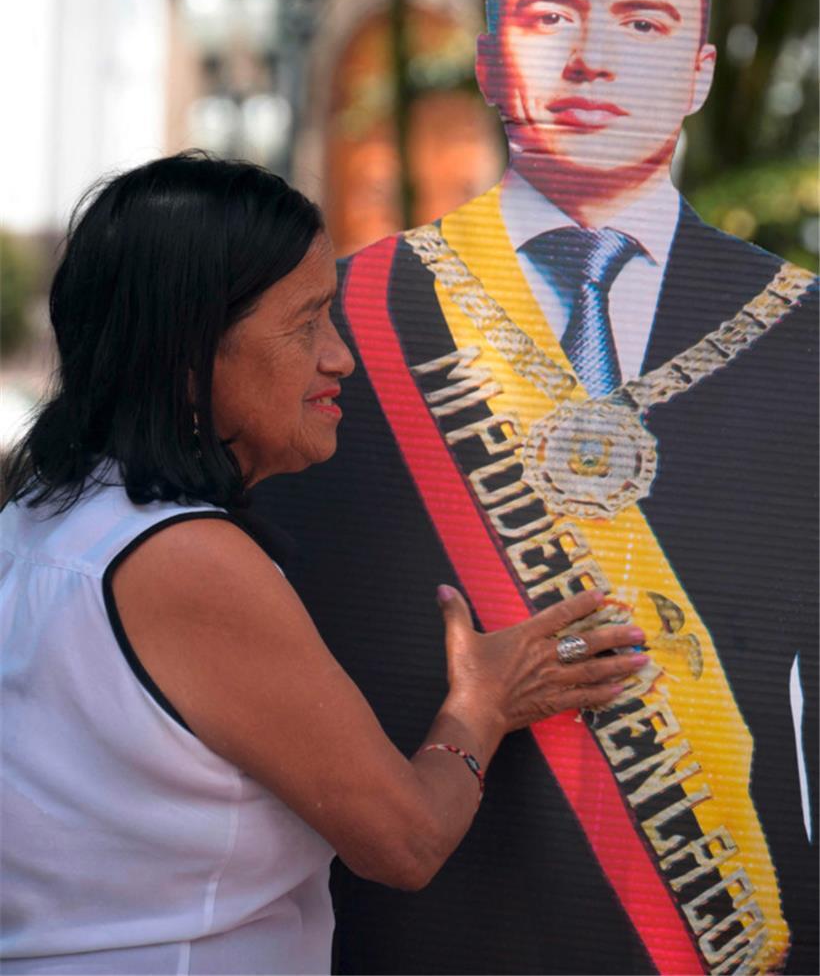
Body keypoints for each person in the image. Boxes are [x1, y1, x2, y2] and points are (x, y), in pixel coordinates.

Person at [251, 0, 819, 975]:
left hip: (731, 939)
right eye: (549, 17)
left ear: (700, 69)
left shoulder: (799, 330)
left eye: (642, 24)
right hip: (415, 932)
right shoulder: (344, 318)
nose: (589, 58)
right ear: (485, 58)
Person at [0, 154, 647, 975]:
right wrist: (483, 703)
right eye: (307, 324)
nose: (340, 357)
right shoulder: (184, 558)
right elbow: (406, 839)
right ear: (191, 351)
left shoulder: (44, 511)